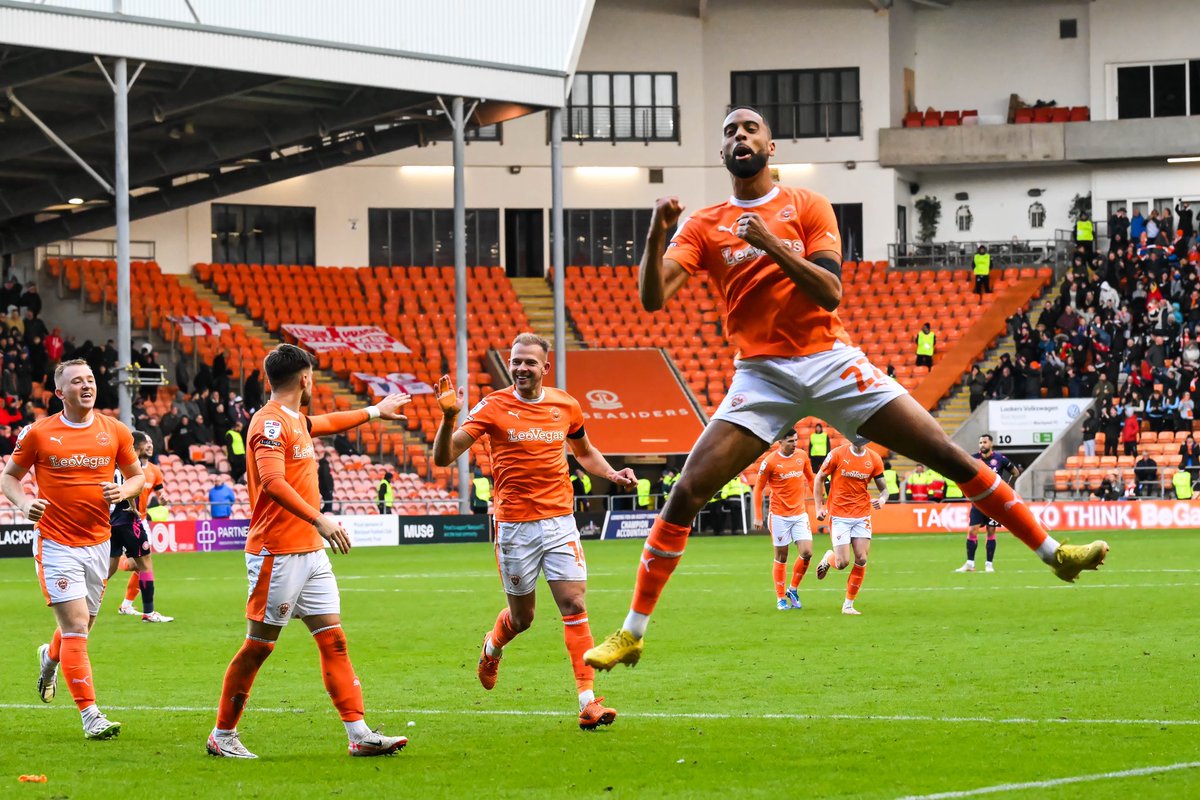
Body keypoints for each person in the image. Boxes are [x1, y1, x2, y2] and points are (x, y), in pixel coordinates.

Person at [583, 106, 1108, 672]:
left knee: (946, 455)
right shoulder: (705, 223)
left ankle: (1055, 555)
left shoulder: (805, 206)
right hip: (761, 374)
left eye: (749, 128)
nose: (739, 135)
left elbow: (829, 292)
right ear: (723, 152)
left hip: (832, 360)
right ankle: (632, 632)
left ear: (770, 147)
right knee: (686, 492)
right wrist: (658, 233)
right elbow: (654, 299)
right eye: (730, 129)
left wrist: (769, 244)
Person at [207, 344, 411, 759]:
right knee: (259, 646)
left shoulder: (295, 419)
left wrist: (374, 411)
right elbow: (272, 483)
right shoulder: (267, 424)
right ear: (305, 378)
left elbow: (330, 421)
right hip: (276, 552)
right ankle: (221, 735)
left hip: (309, 552)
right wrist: (320, 518)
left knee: (333, 640)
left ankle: (358, 733)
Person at [432, 333, 636, 730]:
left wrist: (612, 473)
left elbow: (585, 452)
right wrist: (448, 417)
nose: (522, 367)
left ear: (545, 367)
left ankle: (588, 702)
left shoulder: (566, 405)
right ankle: (492, 647)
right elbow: (443, 457)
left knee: (574, 605)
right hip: (515, 527)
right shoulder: (492, 406)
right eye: (516, 361)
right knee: (523, 618)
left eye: (530, 362)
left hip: (560, 521)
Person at [1, 359, 144, 739]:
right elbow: (9, 477)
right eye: (76, 381)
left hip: (98, 543)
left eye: (91, 379)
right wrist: (22, 503)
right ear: (59, 392)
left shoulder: (114, 430)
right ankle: (91, 716)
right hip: (56, 543)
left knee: (80, 628)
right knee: (77, 626)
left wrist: (124, 491)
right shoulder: (39, 433)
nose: (86, 386)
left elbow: (137, 476)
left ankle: (49, 658)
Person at [813, 436, 887, 615]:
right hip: (839, 515)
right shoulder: (837, 454)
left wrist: (883, 499)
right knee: (842, 563)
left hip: (862, 514)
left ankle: (848, 605)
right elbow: (819, 478)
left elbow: (884, 489)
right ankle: (829, 558)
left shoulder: (874, 459)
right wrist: (819, 507)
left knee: (861, 558)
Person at [110, 431, 173, 623]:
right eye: (147, 442)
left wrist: (162, 498)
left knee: (107, 570)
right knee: (145, 565)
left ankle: (91, 606)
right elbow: (129, 489)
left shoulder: (115, 463)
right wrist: (132, 507)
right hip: (130, 520)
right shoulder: (132, 465)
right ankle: (149, 612)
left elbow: (159, 491)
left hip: (111, 520)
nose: (150, 445)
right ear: (138, 445)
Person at [751, 427, 815, 610]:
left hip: (799, 513)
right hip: (779, 515)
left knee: (807, 552)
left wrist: (821, 501)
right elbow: (758, 488)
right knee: (781, 555)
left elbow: (811, 478)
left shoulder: (802, 456)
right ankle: (780, 598)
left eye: (796, 440)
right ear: (780, 442)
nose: (795, 444)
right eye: (790, 441)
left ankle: (793, 589)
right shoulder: (770, 462)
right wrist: (758, 516)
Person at [954, 434, 1020, 574]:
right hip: (978, 500)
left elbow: (1015, 472)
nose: (982, 445)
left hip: (995, 501)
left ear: (991, 444)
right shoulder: (973, 459)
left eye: (984, 442)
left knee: (991, 531)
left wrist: (1008, 487)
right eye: (980, 442)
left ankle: (989, 564)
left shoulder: (1000, 459)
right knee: (972, 529)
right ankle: (970, 564)